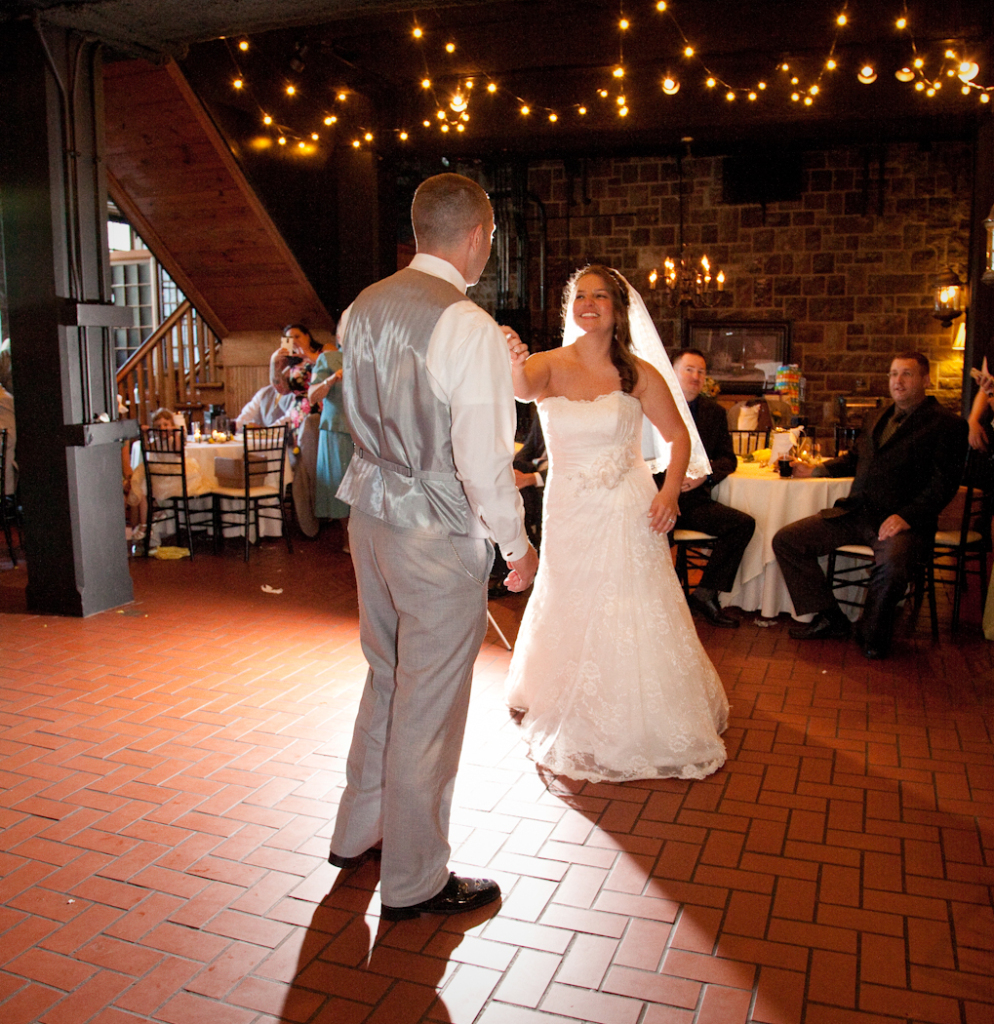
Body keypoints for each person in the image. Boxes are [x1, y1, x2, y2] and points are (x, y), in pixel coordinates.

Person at [329, 173, 538, 921]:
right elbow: (482, 461)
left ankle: (358, 832)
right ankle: (416, 879)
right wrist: (516, 545)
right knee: (430, 706)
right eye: (492, 236)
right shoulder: (466, 324)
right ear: (479, 235)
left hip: (369, 515)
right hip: (433, 530)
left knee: (386, 677)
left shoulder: (362, 307)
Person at [504, 264, 729, 783]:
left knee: (630, 602)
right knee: (570, 594)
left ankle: (641, 711)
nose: (588, 304)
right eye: (580, 296)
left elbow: (678, 438)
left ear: (617, 309)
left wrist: (669, 492)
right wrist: (514, 360)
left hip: (629, 507)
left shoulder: (638, 373)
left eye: (600, 296)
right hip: (568, 508)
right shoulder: (548, 364)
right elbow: (522, 388)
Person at [772, 352, 967, 659]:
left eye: (907, 374)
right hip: (856, 513)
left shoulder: (947, 424)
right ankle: (831, 617)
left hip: (903, 523)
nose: (898, 381)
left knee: (891, 566)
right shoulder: (877, 416)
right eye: (893, 374)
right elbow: (855, 458)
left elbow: (944, 484)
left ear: (926, 380)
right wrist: (817, 470)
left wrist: (906, 516)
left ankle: (872, 634)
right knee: (787, 540)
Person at [669, 348, 756, 627]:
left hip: (694, 501)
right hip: (658, 498)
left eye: (701, 372)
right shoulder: (657, 405)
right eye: (689, 370)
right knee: (654, 533)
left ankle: (705, 594)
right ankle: (659, 603)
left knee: (742, 524)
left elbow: (728, 459)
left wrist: (704, 476)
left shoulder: (714, 413)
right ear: (673, 372)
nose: (695, 377)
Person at [271, 323, 328, 538]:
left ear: (307, 335)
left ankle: (322, 514)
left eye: (296, 336)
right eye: (288, 338)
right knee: (300, 469)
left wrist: (308, 356)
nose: (293, 341)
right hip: (297, 417)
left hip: (318, 415)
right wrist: (275, 364)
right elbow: (281, 388)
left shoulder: (323, 352)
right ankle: (310, 522)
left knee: (314, 468)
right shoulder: (292, 364)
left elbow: (331, 371)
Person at [307, 333, 352, 550]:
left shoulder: (375, 355)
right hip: (338, 430)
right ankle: (347, 539)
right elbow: (312, 396)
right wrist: (331, 379)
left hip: (369, 431)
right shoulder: (329, 359)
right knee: (340, 483)